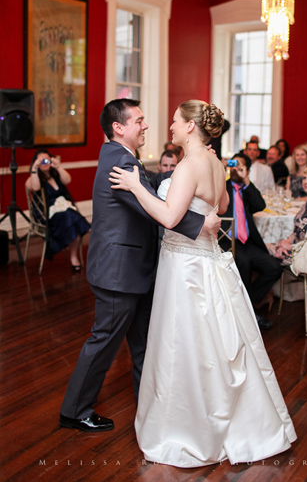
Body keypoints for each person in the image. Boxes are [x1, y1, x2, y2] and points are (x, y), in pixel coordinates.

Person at [109, 100, 296, 466]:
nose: (171, 127)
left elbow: (169, 217)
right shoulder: (214, 163)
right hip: (209, 261)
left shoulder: (189, 165)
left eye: (175, 121)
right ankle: (228, 417)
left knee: (184, 342)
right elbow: (221, 206)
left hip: (185, 265)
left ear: (191, 126)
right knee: (212, 342)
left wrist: (135, 185)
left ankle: (190, 428)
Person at [59, 98, 217, 433]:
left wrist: (191, 168)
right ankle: (75, 411)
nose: (146, 125)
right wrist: (200, 223)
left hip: (133, 270)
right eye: (139, 120)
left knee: (145, 344)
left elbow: (148, 183)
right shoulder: (121, 161)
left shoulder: (120, 155)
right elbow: (153, 207)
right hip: (119, 271)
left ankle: (153, 410)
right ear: (118, 127)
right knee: (105, 342)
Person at [219, 153, 284, 330]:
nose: (236, 169)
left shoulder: (247, 189)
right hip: (228, 241)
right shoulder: (222, 187)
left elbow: (260, 205)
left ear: (247, 170)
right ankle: (250, 315)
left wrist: (246, 180)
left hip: (248, 242)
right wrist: (222, 170)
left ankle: (248, 302)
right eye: (234, 164)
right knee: (244, 262)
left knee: (274, 267)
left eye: (241, 166)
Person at [26, 148, 91, 272]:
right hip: (47, 215)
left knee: (71, 219)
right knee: (71, 217)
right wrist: (34, 169)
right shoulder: (33, 178)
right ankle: (89, 229)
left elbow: (68, 180)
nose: (44, 163)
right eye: (41, 161)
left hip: (65, 211)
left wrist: (58, 167)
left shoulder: (55, 175)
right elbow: (35, 187)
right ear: (36, 162)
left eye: (46, 160)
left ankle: (74, 257)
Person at [270, 165, 307, 263]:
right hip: (296, 248)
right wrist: (288, 241)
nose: (306, 182)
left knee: (264, 252)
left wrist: (290, 247)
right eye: (304, 178)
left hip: (305, 256)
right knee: (264, 246)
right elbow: (297, 231)